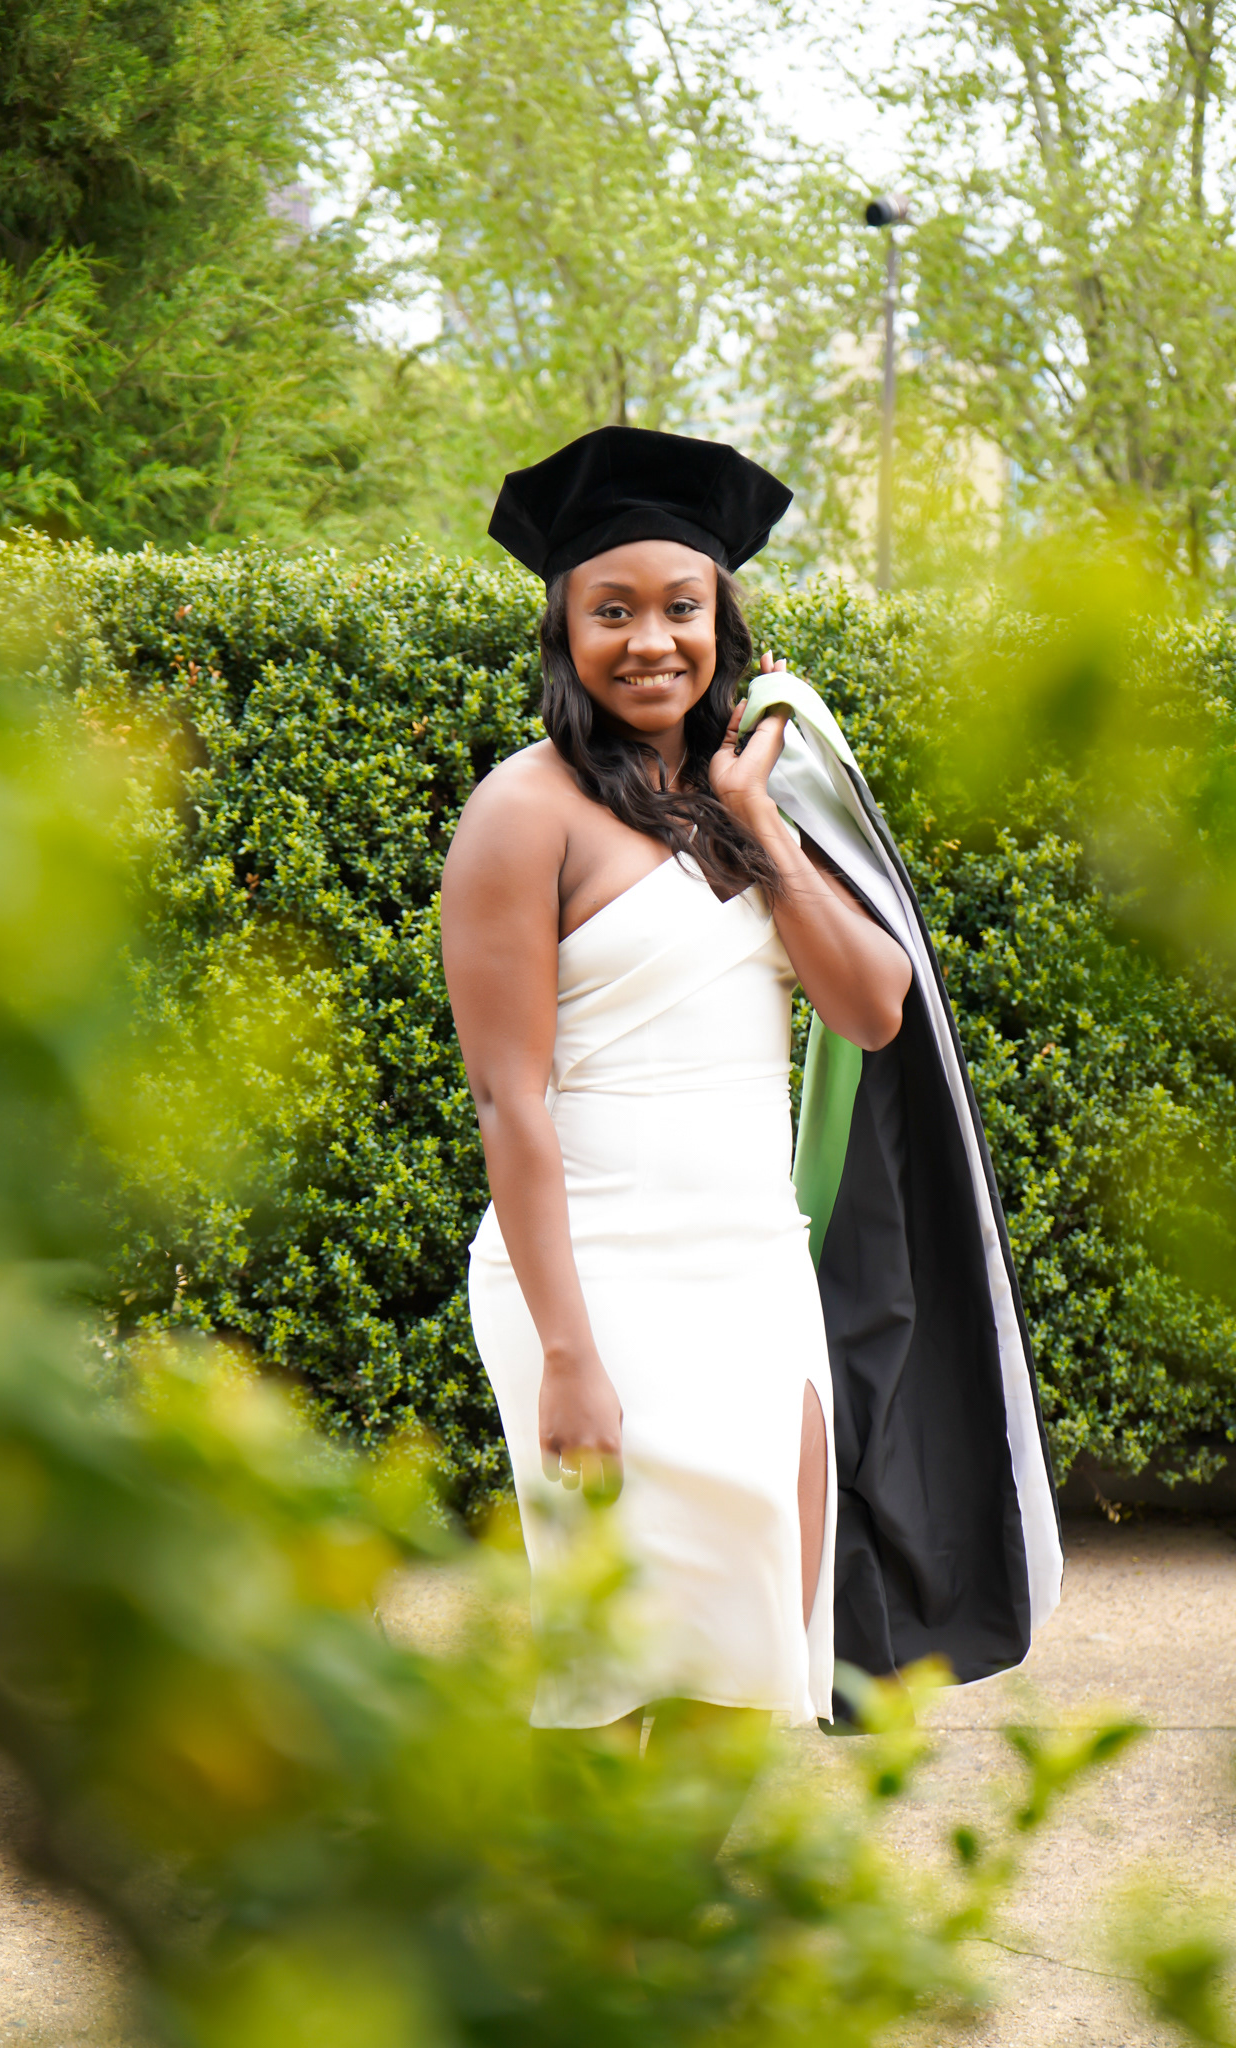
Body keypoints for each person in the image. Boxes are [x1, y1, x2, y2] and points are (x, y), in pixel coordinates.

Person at [441, 426, 914, 1732]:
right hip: (591, 1279)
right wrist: (567, 1356)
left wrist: (757, 821)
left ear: (721, 620)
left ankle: (659, 1935)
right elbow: (508, 1102)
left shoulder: (752, 802)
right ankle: (569, 1932)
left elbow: (871, 1011)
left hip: (753, 1275)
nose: (648, 639)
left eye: (678, 608)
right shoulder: (520, 812)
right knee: (615, 1673)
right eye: (611, 611)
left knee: (755, 1664)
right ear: (564, 631)